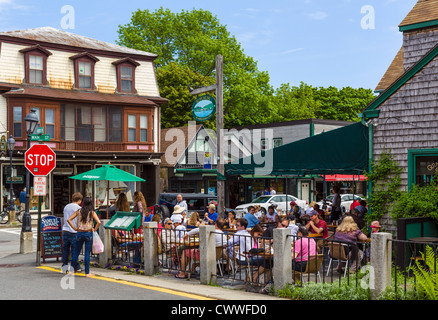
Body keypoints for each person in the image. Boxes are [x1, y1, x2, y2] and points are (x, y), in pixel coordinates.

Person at [68, 197, 101, 277]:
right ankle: (87, 272)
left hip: (79, 233)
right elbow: (99, 222)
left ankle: (71, 271)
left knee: (76, 252)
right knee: (87, 253)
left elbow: (69, 220)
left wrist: (75, 228)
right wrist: (94, 229)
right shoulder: (92, 212)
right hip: (88, 233)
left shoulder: (79, 211)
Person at [62, 192, 83, 273]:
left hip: (65, 229)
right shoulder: (78, 208)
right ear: (79, 200)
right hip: (74, 230)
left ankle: (64, 265)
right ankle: (75, 266)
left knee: (66, 250)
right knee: (75, 250)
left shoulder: (66, 207)